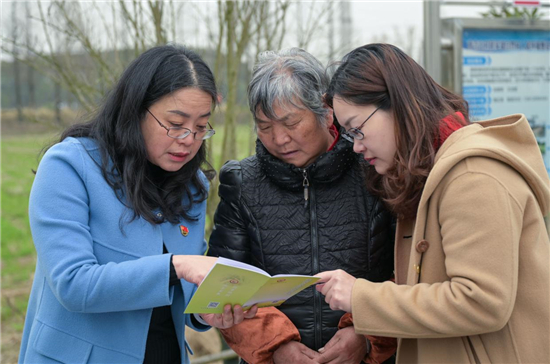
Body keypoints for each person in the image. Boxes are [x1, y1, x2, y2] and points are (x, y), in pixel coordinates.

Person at [19, 44, 257, 364]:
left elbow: (181, 293)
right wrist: (178, 265)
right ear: (136, 110)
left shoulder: (192, 186)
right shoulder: (69, 166)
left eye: (201, 127)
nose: (188, 138)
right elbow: (74, 285)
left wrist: (207, 314)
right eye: (175, 123)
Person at [316, 43, 550, 363]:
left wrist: (362, 297)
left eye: (358, 129)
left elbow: (481, 302)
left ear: (397, 105)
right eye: (348, 135)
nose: (356, 146)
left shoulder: (472, 174)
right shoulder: (430, 172)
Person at [207, 48, 397, 364]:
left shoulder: (375, 171)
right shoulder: (242, 182)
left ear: (326, 110)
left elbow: (408, 274)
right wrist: (275, 345)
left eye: (291, 122)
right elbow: (224, 288)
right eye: (265, 126)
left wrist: (364, 334)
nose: (279, 138)